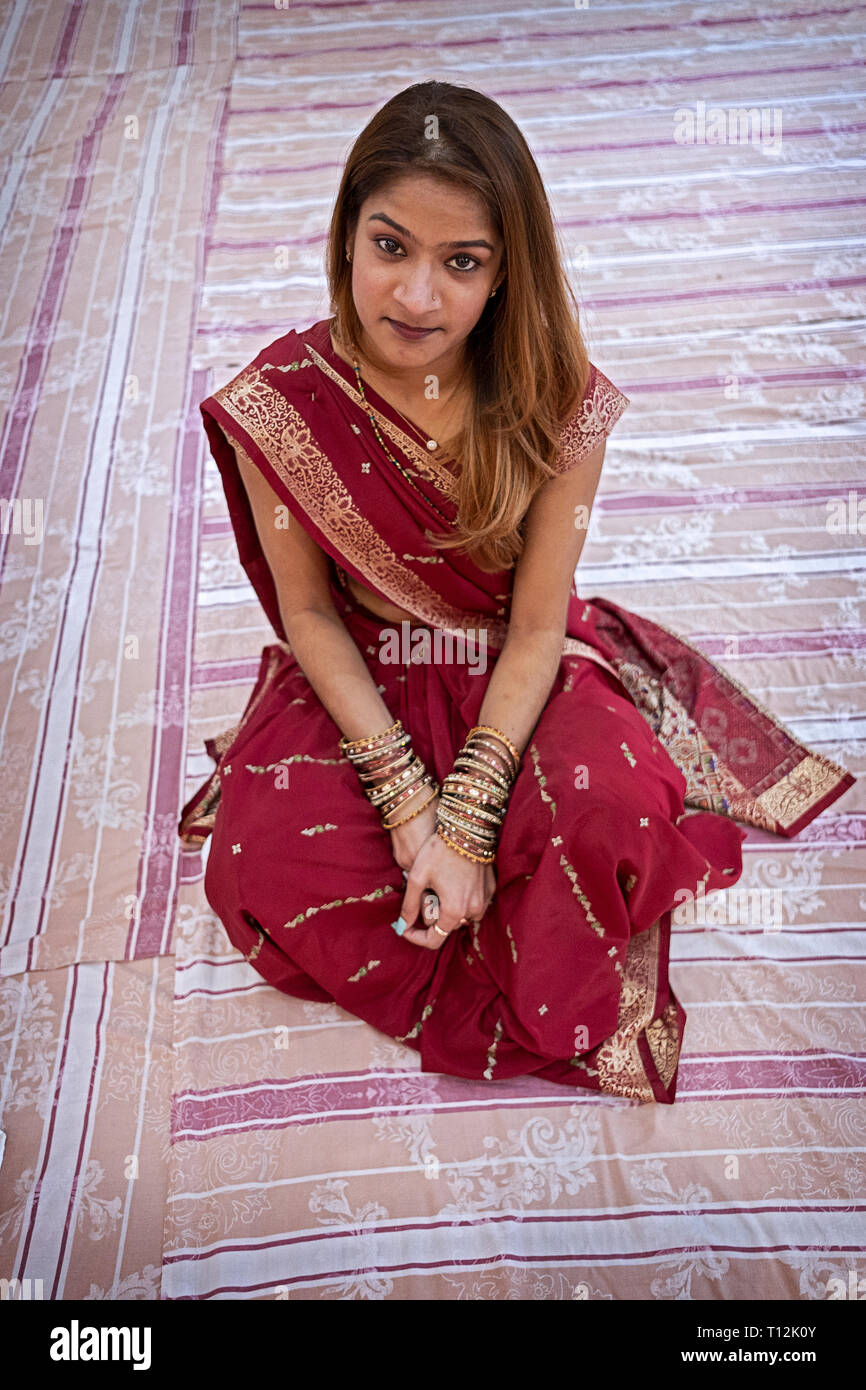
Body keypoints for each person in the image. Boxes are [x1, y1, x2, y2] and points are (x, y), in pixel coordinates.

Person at [177, 81, 855, 1104]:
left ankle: (490, 883)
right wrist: (410, 804)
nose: (415, 296)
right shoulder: (285, 400)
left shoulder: (553, 397)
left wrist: (470, 816)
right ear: (345, 237)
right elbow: (310, 613)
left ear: (503, 274)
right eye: (389, 246)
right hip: (363, 675)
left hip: (517, 670)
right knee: (260, 862)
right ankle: (467, 889)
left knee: (612, 817)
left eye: (461, 263)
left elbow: (536, 625)